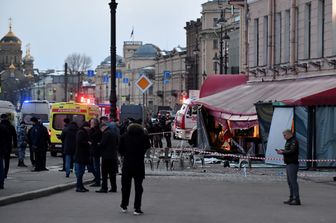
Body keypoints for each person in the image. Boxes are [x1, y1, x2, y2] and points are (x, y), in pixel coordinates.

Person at [118, 123, 151, 215]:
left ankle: (124, 205)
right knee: (138, 187)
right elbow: (148, 146)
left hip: (127, 164)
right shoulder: (144, 136)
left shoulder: (124, 136)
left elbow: (120, 149)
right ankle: (137, 208)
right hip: (139, 164)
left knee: (125, 186)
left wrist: (125, 154)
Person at [276, 129, 301, 205]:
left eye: (285, 135)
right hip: (289, 163)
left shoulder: (294, 141)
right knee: (290, 182)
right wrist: (283, 151)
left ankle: (296, 199)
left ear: (289, 134)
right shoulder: (289, 141)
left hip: (292, 163)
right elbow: (289, 150)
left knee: (293, 182)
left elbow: (292, 151)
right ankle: (291, 198)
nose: (284, 137)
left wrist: (283, 152)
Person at [96, 123, 118, 193]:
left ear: (102, 127)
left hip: (106, 156)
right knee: (112, 173)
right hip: (113, 155)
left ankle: (104, 188)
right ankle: (114, 187)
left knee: (104, 173)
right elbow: (117, 142)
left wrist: (98, 144)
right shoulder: (114, 133)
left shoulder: (106, 133)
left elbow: (103, 144)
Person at [74, 121, 91, 192]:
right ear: (85, 126)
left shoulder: (82, 132)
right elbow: (79, 141)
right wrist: (87, 143)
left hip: (82, 155)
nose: (89, 128)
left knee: (81, 172)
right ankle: (79, 187)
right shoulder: (81, 132)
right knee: (80, 172)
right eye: (88, 127)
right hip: (81, 155)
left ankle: (81, 186)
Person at [0, 114, 17, 178]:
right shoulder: (11, 126)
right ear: (7, 118)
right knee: (7, 161)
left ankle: (1, 174)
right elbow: (14, 136)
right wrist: (15, 145)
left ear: (1, 118)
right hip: (8, 146)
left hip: (1, 146)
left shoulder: (1, 126)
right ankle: (5, 173)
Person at [89, 118, 102, 186]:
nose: (90, 124)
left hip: (95, 151)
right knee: (94, 166)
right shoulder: (97, 130)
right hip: (95, 150)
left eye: (91, 122)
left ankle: (97, 181)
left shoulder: (96, 130)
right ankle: (97, 179)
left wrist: (91, 129)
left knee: (96, 166)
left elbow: (91, 137)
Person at [0, 122, 9, 189]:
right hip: (1, 150)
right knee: (1, 168)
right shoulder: (3, 127)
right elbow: (7, 139)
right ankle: (1, 183)